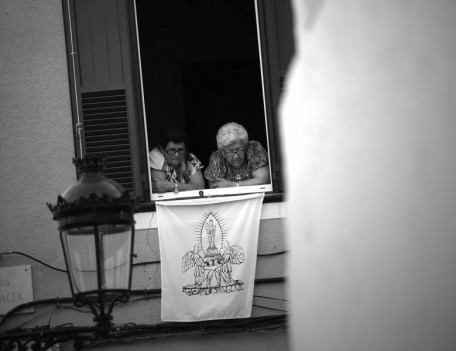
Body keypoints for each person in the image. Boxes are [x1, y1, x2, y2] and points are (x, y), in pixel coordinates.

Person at [204, 122, 270, 188]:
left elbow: (263, 180)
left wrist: (233, 185)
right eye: (230, 151)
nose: (236, 156)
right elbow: (215, 187)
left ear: (245, 145)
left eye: (240, 149)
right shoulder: (217, 157)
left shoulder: (254, 149)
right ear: (223, 152)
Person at [149, 127, 205, 193]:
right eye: (172, 150)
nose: (177, 155)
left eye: (180, 150)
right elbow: (160, 188)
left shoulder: (190, 158)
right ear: (162, 150)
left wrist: (172, 186)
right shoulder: (156, 157)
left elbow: (200, 188)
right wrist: (187, 187)